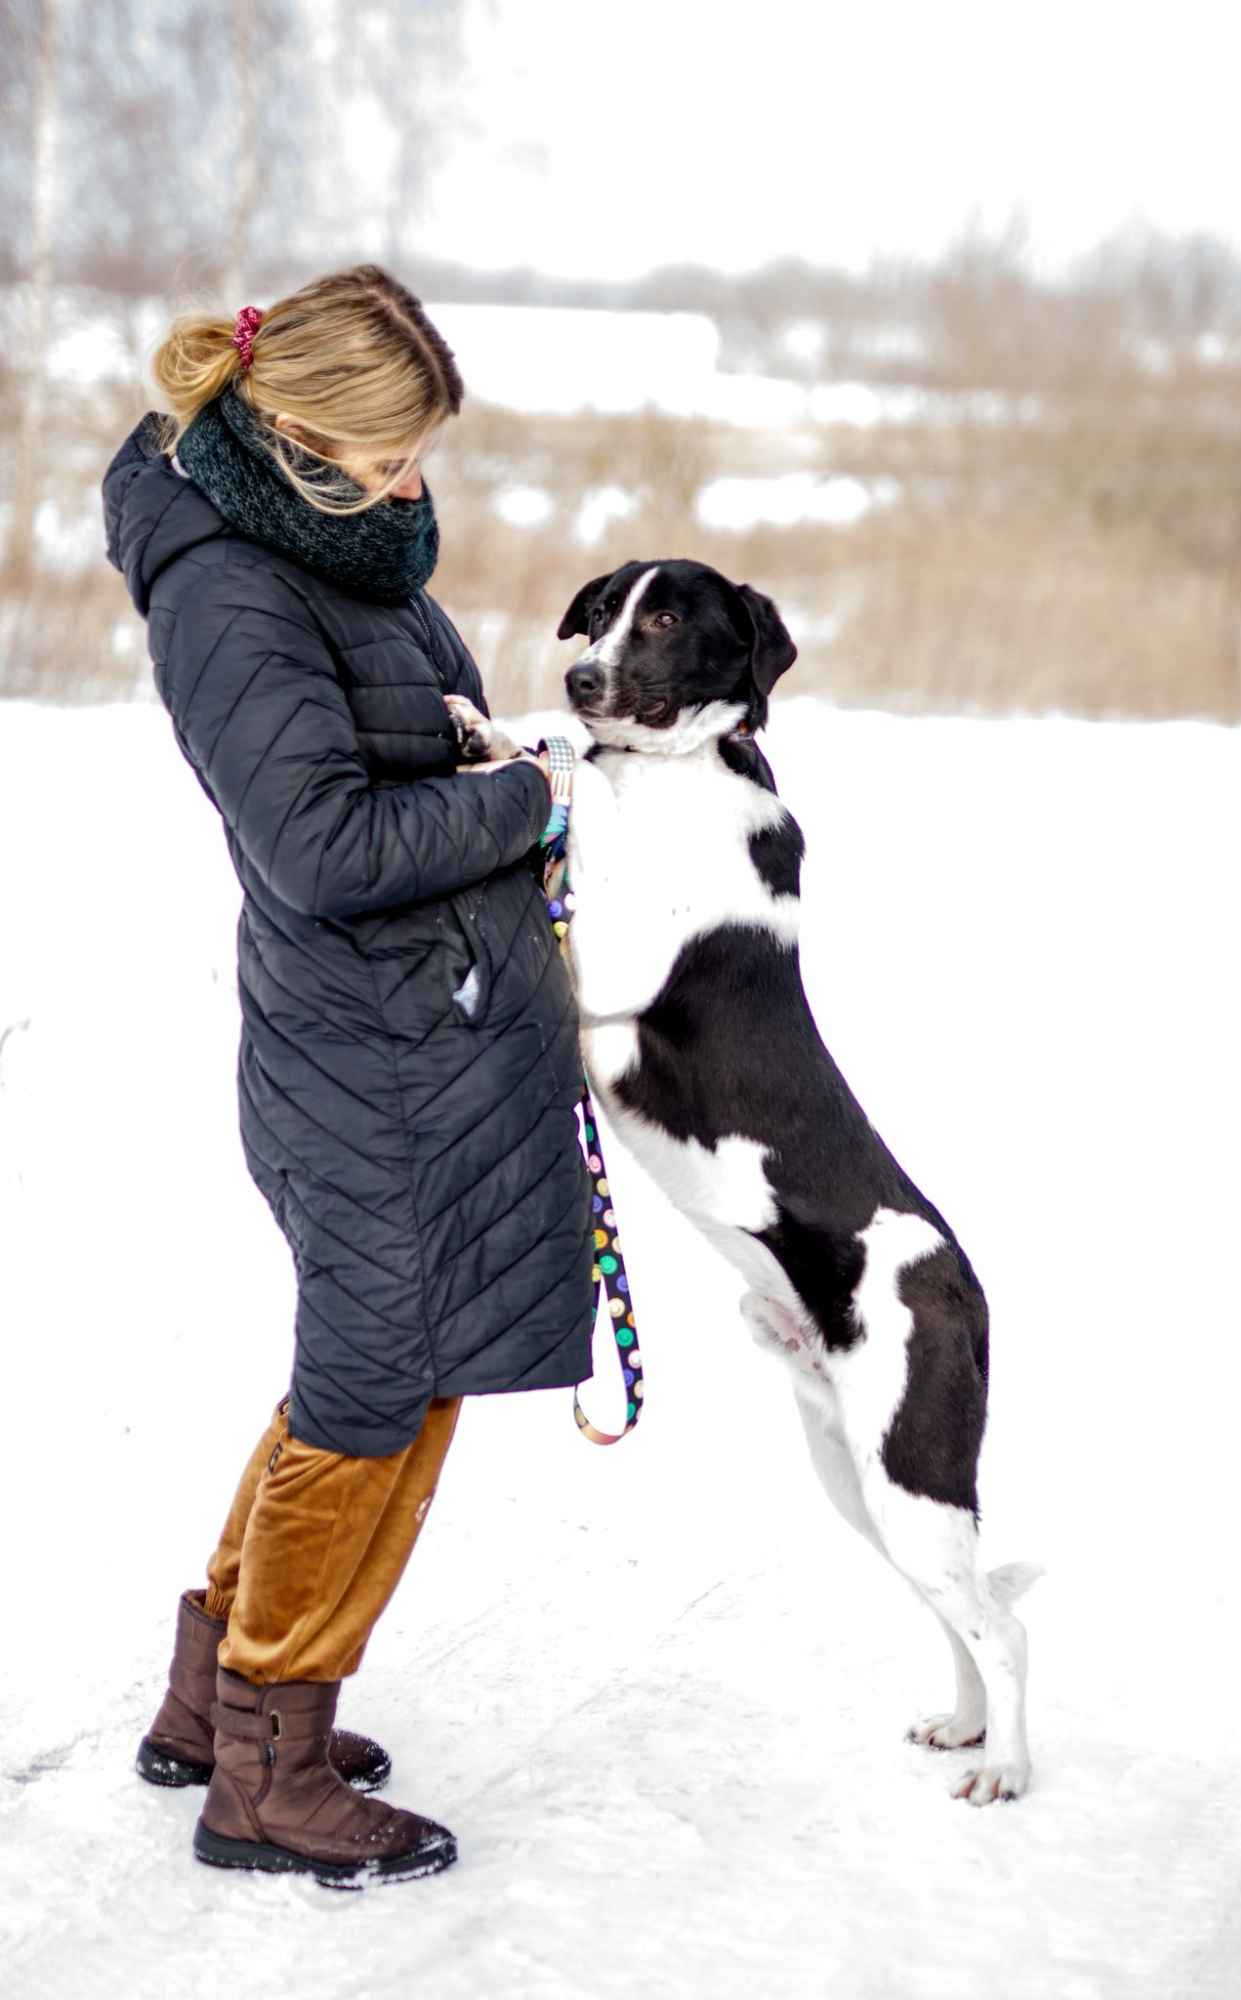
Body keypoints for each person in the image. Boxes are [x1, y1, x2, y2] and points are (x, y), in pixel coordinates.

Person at [102, 264, 594, 1887]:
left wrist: (476, 755)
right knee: (377, 1400)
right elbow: (316, 844)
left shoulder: (332, 545)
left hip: (412, 1042)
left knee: (365, 1376)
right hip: (370, 1061)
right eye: (393, 457)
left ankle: (214, 1701)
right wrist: (519, 803)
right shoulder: (233, 590)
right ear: (299, 435)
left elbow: (382, 751)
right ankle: (270, 1770)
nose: (416, 485)